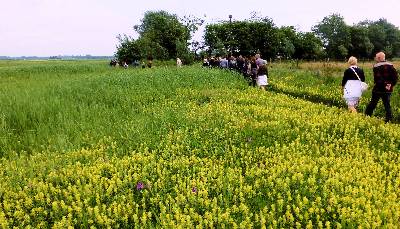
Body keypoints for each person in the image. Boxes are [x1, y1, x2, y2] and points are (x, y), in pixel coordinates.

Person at [365, 52, 398, 122]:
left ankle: (367, 116)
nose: (375, 58)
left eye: (376, 57)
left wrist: (385, 84)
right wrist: (391, 84)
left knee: (373, 103)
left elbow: (378, 78)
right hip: (388, 89)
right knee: (387, 105)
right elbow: (395, 77)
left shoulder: (376, 66)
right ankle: (389, 120)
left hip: (378, 89)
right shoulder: (391, 65)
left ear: (379, 58)